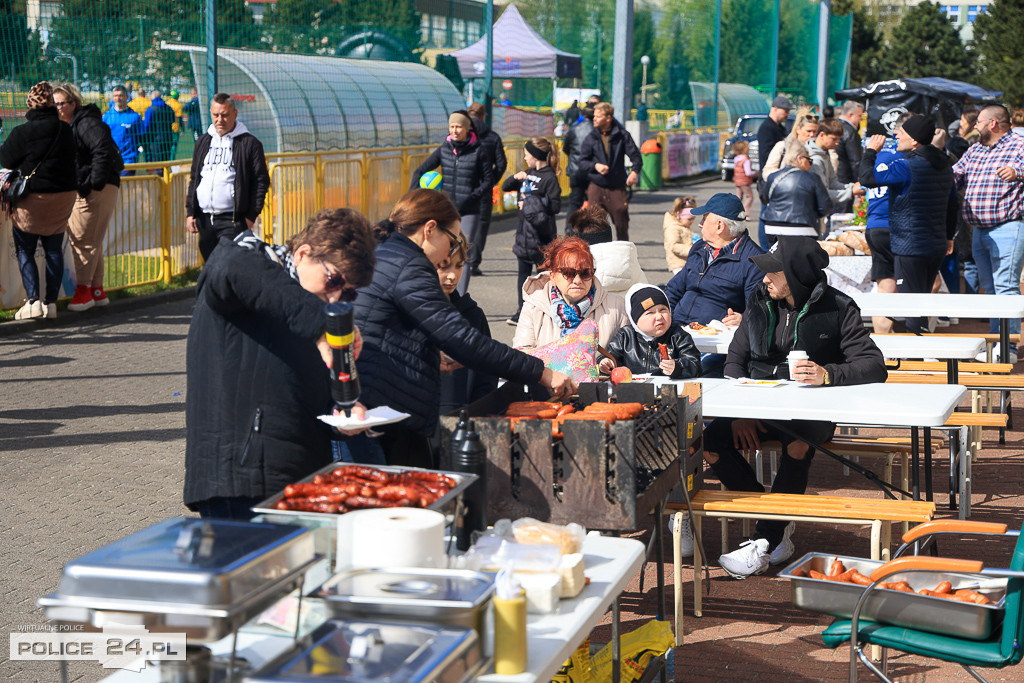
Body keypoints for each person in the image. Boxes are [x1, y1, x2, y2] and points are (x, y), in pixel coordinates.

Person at [697, 237, 887, 578]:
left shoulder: (839, 307)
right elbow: (734, 362)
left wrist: (828, 373)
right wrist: (742, 412)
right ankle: (774, 521)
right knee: (706, 442)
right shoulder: (758, 299)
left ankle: (763, 541)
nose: (765, 278)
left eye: (773, 271)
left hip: (812, 413)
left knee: (798, 445)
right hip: (757, 407)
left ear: (797, 275)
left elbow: (874, 365)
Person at [351, 189, 576, 468]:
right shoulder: (409, 266)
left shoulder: (386, 255)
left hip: (373, 400)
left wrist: (430, 356)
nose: (452, 249)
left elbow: (390, 332)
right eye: (452, 239)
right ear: (430, 230)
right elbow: (463, 340)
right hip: (380, 409)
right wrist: (541, 372)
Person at [184, 208, 378, 519]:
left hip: (298, 479)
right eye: (334, 280)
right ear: (303, 253)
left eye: (349, 292)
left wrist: (344, 412)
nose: (335, 297)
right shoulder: (249, 263)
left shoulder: (305, 310)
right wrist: (321, 327)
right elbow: (227, 264)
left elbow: (305, 394)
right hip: (241, 479)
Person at [860, 114, 958, 335]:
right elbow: (953, 205)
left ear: (914, 140)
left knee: (911, 304)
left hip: (909, 244)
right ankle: (920, 351)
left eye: (901, 133)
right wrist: (949, 236)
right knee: (922, 298)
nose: (896, 136)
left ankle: (917, 356)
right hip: (934, 245)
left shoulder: (907, 166)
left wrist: (870, 151)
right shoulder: (944, 165)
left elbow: (866, 179)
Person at [952, 104, 1024, 362]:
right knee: (990, 289)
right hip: (979, 230)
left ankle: (1009, 348)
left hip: (1008, 226)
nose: (975, 126)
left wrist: (1018, 172)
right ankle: (996, 342)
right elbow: (955, 176)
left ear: (993, 123)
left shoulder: (1019, 144)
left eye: (979, 122)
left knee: (1005, 287)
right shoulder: (975, 149)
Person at [0, 82, 77, 321]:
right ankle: (51, 304)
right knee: (54, 248)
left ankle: (33, 301)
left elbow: (6, 159)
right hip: (64, 197)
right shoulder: (65, 130)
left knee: (25, 248)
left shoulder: (23, 132)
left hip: (33, 198)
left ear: (30, 105)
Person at [664, 193, 763, 375]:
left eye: (704, 218)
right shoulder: (700, 248)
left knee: (691, 374)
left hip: (712, 345)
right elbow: (673, 289)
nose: (700, 224)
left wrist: (743, 318)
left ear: (719, 226)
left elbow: (760, 311)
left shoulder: (753, 261)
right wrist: (663, 318)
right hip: (677, 333)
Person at [52, 83, 123, 312]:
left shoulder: (86, 123)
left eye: (61, 103)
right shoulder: (77, 123)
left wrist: (93, 183)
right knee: (92, 240)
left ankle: (83, 293)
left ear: (73, 104)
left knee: (82, 240)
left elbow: (102, 149)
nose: (58, 108)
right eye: (54, 104)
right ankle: (96, 290)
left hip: (95, 187)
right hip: (96, 185)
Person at [410, 110, 492, 294]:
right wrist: (413, 198)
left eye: (459, 127)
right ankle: (440, 293)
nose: (455, 131)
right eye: (452, 127)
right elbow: (419, 170)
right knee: (441, 253)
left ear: (467, 128)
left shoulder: (479, 151)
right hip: (446, 211)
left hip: (469, 210)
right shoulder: (444, 149)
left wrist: (471, 197)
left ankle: (460, 298)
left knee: (463, 253)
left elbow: (488, 181)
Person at [185, 93, 270, 261]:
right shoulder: (203, 141)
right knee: (210, 268)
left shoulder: (249, 144)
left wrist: (250, 217)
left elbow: (261, 181)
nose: (220, 120)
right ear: (210, 113)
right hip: (205, 219)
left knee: (230, 267)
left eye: (224, 115)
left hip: (232, 221)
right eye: (215, 115)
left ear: (235, 114)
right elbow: (195, 177)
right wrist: (190, 212)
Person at [512, 235, 629, 350]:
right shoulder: (533, 306)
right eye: (568, 273)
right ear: (552, 276)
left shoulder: (617, 307)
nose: (577, 281)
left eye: (585, 273)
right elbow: (522, 355)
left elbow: (627, 356)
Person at [860, 113, 911, 333]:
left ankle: (883, 345)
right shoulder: (905, 158)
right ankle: (918, 340)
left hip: (874, 225)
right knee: (925, 283)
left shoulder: (878, 155)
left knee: (885, 286)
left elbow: (861, 186)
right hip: (895, 227)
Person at [503, 137, 561, 326]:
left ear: (536, 156)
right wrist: (515, 178)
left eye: (527, 155)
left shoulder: (549, 178)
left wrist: (528, 204)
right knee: (523, 276)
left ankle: (545, 311)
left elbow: (555, 206)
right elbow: (505, 187)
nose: (525, 158)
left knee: (543, 277)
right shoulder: (527, 173)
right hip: (523, 234)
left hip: (542, 235)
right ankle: (522, 311)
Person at [436, 246, 497, 416]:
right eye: (444, 266)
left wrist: (477, 413)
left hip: (465, 418)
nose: (452, 275)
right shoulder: (410, 313)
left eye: (459, 265)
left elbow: (487, 373)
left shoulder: (473, 315)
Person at [600, 284, 701, 379]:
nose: (659, 316)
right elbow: (611, 357)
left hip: (669, 390)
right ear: (635, 320)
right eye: (650, 313)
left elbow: (695, 364)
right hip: (633, 390)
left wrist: (677, 367)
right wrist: (605, 362)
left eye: (663, 310)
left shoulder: (678, 336)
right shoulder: (625, 336)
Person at [577, 102, 642, 241]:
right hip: (597, 184)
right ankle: (595, 250)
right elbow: (582, 162)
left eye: (598, 116)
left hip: (617, 184)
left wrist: (634, 172)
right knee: (593, 222)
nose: (594, 119)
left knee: (621, 219)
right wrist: (596, 166)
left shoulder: (622, 135)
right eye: (594, 116)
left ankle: (623, 250)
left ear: (608, 118)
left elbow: (636, 156)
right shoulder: (591, 137)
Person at [466, 102, 506, 277]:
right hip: (484, 188)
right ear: (483, 116)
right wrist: (491, 180)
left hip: (464, 187)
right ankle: (474, 263)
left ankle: (461, 260)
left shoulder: (463, 135)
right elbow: (502, 163)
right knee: (482, 224)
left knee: (461, 223)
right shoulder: (493, 137)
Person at [760, 140, 830, 242]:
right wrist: (812, 213)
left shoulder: (773, 177)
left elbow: (765, 199)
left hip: (772, 227)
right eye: (809, 160)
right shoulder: (812, 178)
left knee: (778, 256)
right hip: (803, 227)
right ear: (800, 158)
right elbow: (825, 206)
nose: (811, 165)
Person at [806, 118, 858, 220]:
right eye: (834, 139)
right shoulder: (814, 159)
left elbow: (833, 182)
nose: (837, 143)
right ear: (821, 135)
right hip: (811, 212)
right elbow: (823, 192)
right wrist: (851, 192)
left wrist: (852, 187)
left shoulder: (824, 152)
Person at [562, 105, 595, 231]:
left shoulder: (574, 129)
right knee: (593, 202)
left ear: (584, 115)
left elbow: (566, 148)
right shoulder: (597, 131)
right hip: (592, 171)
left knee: (574, 201)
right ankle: (590, 231)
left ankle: (569, 229)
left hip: (575, 170)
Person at [760, 109, 818, 178]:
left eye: (814, 132)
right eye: (809, 131)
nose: (812, 135)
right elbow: (767, 171)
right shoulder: (783, 146)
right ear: (798, 129)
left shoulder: (818, 149)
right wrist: (785, 177)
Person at [102, 85, 144, 174]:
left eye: (121, 95)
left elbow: (142, 138)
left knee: (126, 187)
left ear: (127, 97)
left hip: (129, 160)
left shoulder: (135, 117)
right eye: (116, 96)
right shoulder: (107, 116)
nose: (118, 98)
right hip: (110, 160)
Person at [756, 95, 794, 172]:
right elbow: (766, 154)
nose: (788, 114)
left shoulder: (779, 128)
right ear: (775, 109)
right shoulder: (767, 128)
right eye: (786, 111)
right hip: (769, 175)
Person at [663, 196, 697, 274]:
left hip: (687, 263)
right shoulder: (673, 228)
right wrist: (692, 250)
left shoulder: (686, 227)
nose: (692, 221)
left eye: (693, 219)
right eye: (689, 219)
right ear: (680, 216)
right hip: (678, 263)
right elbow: (673, 246)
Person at [835, 100, 865, 188]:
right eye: (859, 115)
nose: (861, 119)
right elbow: (855, 160)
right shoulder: (850, 132)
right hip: (846, 179)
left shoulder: (834, 125)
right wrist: (861, 181)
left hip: (834, 175)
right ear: (850, 115)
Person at [143, 90, 176, 164]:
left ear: (153, 97)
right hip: (168, 138)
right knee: (166, 162)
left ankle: (160, 174)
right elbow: (173, 120)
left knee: (157, 162)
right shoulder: (169, 108)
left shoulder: (150, 109)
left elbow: (146, 125)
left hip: (155, 140)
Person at [732, 140, 757, 214]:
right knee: (750, 197)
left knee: (739, 197)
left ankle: (735, 211)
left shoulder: (736, 158)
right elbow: (748, 172)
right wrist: (755, 173)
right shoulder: (746, 159)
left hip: (737, 181)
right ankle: (745, 212)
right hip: (744, 181)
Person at [165, 89, 184, 159]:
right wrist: (183, 129)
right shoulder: (178, 105)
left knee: (167, 145)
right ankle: (171, 160)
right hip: (175, 128)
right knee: (174, 145)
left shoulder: (167, 103)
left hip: (166, 127)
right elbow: (179, 118)